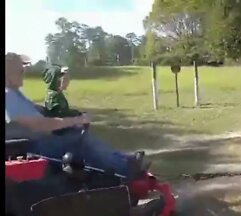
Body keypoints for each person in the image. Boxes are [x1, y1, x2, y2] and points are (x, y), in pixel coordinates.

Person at [5, 52, 148, 180]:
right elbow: (41, 125)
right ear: (8, 74)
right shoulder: (8, 96)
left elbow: (40, 115)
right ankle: (127, 171)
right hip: (33, 148)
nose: (24, 72)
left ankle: (121, 163)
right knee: (79, 141)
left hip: (35, 144)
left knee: (75, 134)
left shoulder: (15, 94)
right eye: (20, 70)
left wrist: (70, 120)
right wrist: (75, 120)